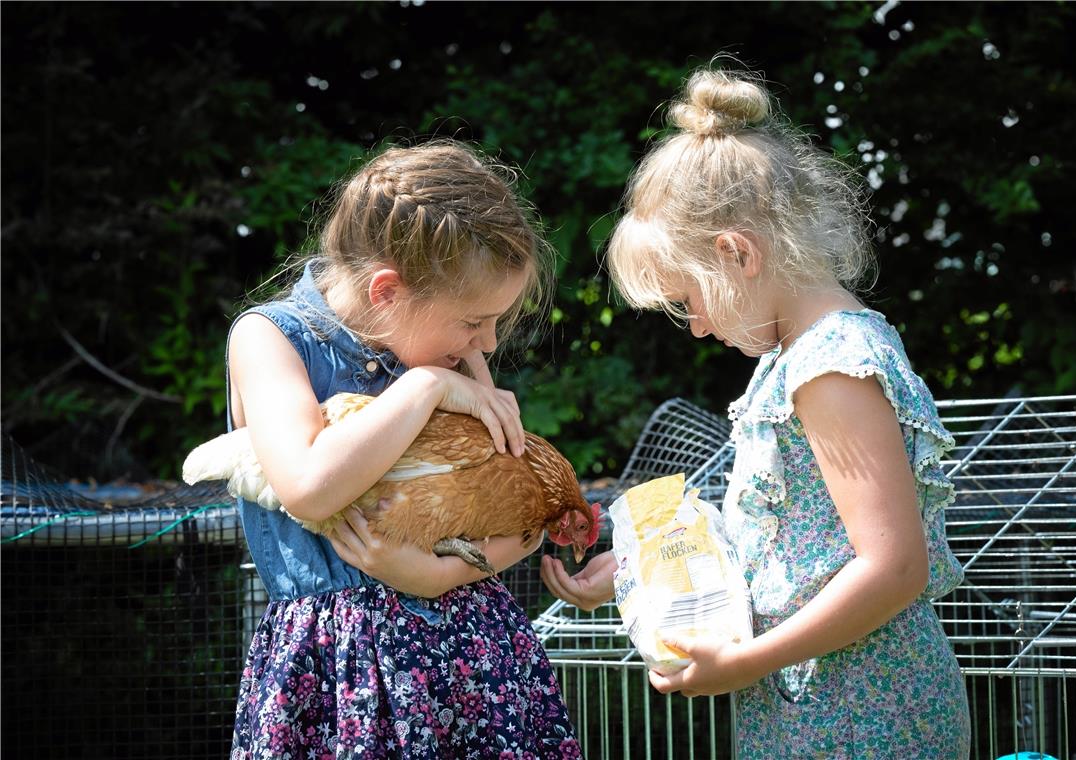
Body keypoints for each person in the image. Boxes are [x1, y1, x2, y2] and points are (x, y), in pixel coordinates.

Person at [541, 66, 970, 758]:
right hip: (821, 709)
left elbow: (894, 567)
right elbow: (797, 544)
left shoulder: (831, 367)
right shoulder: (792, 358)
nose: (699, 327)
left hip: (863, 716)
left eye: (690, 301)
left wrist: (748, 661)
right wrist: (637, 568)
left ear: (736, 254)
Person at [227, 141, 582, 759]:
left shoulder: (456, 353)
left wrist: (440, 574)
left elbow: (523, 519)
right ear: (388, 291)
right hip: (340, 668)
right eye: (474, 322)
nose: (488, 342)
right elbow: (309, 484)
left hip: (477, 656)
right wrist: (425, 387)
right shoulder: (271, 340)